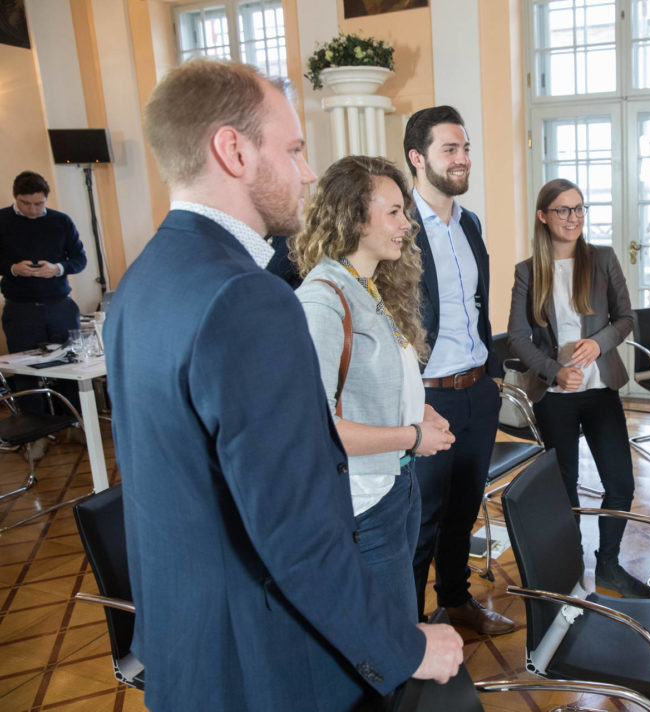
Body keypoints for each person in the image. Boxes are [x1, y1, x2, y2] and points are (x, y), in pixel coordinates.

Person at [103, 59, 462, 711]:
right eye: (293, 149)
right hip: (262, 657)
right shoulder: (247, 297)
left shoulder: (141, 281)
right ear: (233, 150)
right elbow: (295, 526)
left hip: (186, 649)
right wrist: (402, 645)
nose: (306, 172)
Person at [292, 155, 455, 623]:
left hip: (396, 482)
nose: (407, 224)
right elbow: (317, 429)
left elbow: (372, 387)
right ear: (354, 219)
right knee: (389, 633)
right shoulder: (322, 301)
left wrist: (417, 414)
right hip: (362, 499)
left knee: (397, 621)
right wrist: (412, 436)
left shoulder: (368, 286)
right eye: (394, 212)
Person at [506, 178, 650, 598]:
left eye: (579, 208)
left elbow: (626, 318)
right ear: (543, 216)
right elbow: (516, 337)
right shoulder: (528, 271)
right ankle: (571, 568)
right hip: (555, 398)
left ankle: (608, 566)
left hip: (601, 389)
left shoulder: (602, 259)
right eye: (564, 210)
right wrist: (554, 371)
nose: (574, 218)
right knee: (564, 488)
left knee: (620, 484)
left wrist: (599, 342)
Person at [405, 105, 514, 635]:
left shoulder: (469, 223)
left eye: (465, 148)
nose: (462, 158)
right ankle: (407, 629)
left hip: (477, 390)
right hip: (427, 397)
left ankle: (456, 600)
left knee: (463, 510)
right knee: (420, 521)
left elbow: (478, 304)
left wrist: (492, 373)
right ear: (417, 158)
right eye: (450, 149)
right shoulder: (399, 227)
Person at [0, 170, 87, 411]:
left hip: (60, 305)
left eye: (39, 204)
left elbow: (79, 259)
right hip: (21, 308)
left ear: (46, 198)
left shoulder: (61, 221)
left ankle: (73, 420)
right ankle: (35, 425)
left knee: (70, 366)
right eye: (25, 203)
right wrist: (13, 268)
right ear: (15, 197)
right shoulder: (2, 220)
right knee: (25, 371)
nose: (32, 210)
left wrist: (58, 268)